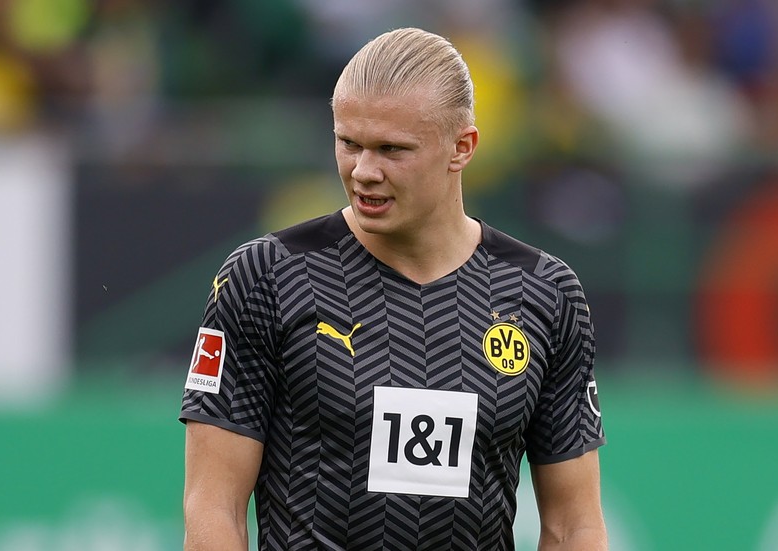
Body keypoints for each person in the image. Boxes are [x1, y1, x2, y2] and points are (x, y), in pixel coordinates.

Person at [180, 27, 607, 551]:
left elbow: (574, 525)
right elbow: (213, 507)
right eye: (348, 143)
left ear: (462, 148)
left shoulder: (545, 293)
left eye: (391, 150)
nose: (363, 171)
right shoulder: (266, 276)